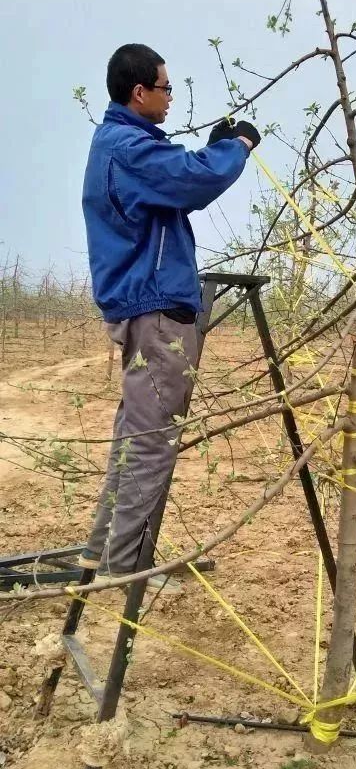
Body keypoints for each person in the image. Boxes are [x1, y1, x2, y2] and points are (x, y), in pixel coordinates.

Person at [79, 43, 259, 580]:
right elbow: (193, 180)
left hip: (144, 307)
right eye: (165, 87)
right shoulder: (128, 148)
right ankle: (126, 566)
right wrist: (237, 147)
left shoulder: (121, 145)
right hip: (156, 313)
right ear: (140, 92)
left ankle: (103, 550)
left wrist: (212, 150)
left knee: (137, 433)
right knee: (152, 441)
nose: (171, 98)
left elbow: (177, 177)